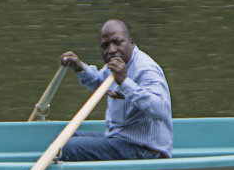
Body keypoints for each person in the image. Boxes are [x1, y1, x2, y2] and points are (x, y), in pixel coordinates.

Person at [57, 19, 173, 160]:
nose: (111, 50)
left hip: (145, 150)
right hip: (120, 139)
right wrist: (80, 68)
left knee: (66, 148)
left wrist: (125, 82)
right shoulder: (116, 63)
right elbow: (99, 82)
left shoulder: (146, 70)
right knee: (62, 138)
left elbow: (161, 110)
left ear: (131, 42)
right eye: (105, 45)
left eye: (117, 42)